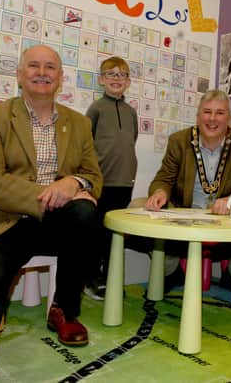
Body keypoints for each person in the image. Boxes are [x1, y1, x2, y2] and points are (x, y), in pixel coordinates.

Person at [0, 45, 103, 383]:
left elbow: (93, 176)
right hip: (4, 219)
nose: (42, 72)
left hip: (55, 222)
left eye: (50, 67)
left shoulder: (79, 123)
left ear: (60, 77)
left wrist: (73, 182)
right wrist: (50, 193)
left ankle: (63, 309)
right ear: (19, 74)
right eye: (34, 66)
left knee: (85, 212)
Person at [145, 89, 231, 292]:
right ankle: (171, 271)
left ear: (229, 118)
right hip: (184, 213)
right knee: (139, 207)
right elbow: (163, 178)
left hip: (228, 219)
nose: (212, 119)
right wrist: (160, 192)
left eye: (220, 113)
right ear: (198, 116)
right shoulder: (179, 141)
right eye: (207, 112)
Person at [84, 56, 138, 300]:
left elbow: (131, 140)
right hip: (101, 181)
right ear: (101, 80)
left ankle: (110, 277)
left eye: (122, 75)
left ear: (128, 82)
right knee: (96, 233)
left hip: (124, 182)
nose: (117, 79)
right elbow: (86, 143)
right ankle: (91, 278)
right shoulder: (96, 108)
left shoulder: (131, 112)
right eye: (111, 74)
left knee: (115, 234)